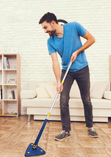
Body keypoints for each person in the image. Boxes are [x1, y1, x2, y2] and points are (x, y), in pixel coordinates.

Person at [39, 12, 98, 141]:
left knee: (86, 100)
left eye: (45, 27)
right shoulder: (50, 41)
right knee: (63, 100)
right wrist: (58, 81)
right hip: (67, 71)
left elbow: (91, 39)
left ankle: (90, 127)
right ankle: (66, 130)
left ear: (53, 23)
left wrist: (77, 51)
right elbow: (55, 62)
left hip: (82, 68)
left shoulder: (74, 26)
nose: (45, 31)